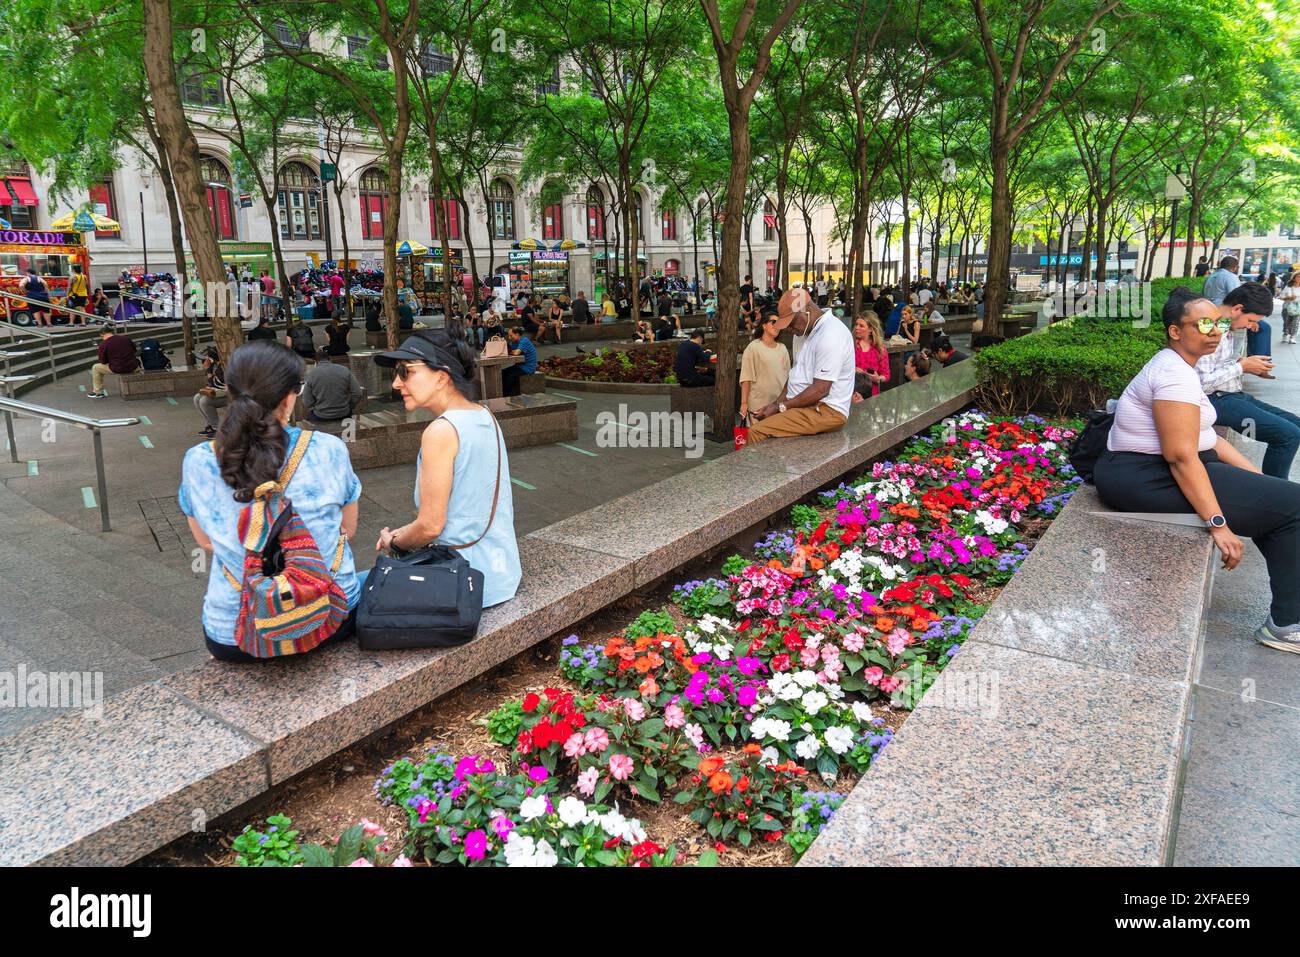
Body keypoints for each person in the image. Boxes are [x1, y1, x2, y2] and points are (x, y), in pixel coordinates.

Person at [1094, 292, 1300, 653]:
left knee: (1281, 504)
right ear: (1175, 330)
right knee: (1294, 507)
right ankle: (1286, 625)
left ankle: (1290, 613)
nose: (1216, 331)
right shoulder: (1173, 374)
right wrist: (1218, 524)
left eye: (1219, 323)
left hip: (1162, 469)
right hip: (1144, 478)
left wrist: (1258, 481)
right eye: (1204, 324)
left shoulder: (1181, 367)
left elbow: (1211, 440)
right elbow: (1180, 457)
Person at [180, 340, 362, 663]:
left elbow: (206, 542)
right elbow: (347, 529)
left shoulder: (198, 461)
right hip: (328, 617)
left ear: (232, 392)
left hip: (232, 633)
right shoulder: (328, 449)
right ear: (290, 398)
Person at [373, 330, 521, 608]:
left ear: (441, 376)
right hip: (501, 573)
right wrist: (404, 532)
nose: (396, 383)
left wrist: (395, 544)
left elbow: (431, 526)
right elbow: (464, 511)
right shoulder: (483, 415)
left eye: (406, 372)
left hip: (461, 584)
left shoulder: (440, 431)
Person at [1194, 282, 1298, 478]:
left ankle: (1277, 490)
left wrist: (1245, 364)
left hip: (1231, 395)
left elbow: (1216, 365)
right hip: (1215, 399)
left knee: (1295, 424)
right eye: (1250, 320)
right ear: (1237, 309)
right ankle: (1277, 494)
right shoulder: (1208, 328)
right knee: (1287, 435)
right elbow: (1200, 382)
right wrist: (1242, 366)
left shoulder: (1224, 326)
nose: (1251, 327)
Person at [746, 287, 854, 444]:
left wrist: (782, 407)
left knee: (757, 432)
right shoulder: (803, 333)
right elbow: (794, 376)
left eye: (792, 322)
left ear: (807, 310)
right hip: (804, 406)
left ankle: (762, 468)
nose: (789, 329)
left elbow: (821, 389)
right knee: (763, 424)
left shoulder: (831, 334)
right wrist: (775, 404)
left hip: (826, 410)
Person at [740, 310, 791, 419]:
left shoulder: (783, 348)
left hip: (778, 406)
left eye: (779, 323)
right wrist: (744, 403)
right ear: (764, 325)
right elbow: (746, 378)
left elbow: (788, 377)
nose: (777, 326)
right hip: (758, 406)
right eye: (773, 322)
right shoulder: (753, 347)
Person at [302, 348, 364, 424]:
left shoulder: (311, 374)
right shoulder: (344, 370)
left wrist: (314, 408)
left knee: (307, 421)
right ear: (330, 359)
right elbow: (358, 393)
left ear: (315, 362)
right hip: (343, 413)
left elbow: (306, 400)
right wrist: (350, 406)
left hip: (320, 415)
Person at [87, 327, 139, 397]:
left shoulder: (104, 344)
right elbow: (134, 351)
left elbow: (103, 361)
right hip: (133, 366)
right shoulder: (126, 338)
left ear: (102, 334)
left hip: (117, 368)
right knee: (136, 365)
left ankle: (98, 392)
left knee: (95, 367)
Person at [851, 313, 889, 400]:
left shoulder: (880, 349)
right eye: (856, 324)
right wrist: (852, 369)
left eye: (861, 326)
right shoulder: (849, 344)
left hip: (871, 395)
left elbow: (886, 375)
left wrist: (877, 378)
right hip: (851, 393)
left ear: (871, 329)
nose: (857, 328)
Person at [193, 346, 228, 437]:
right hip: (219, 392)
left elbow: (216, 381)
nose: (207, 359)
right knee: (197, 398)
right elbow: (212, 383)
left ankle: (217, 429)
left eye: (209, 357)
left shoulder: (224, 366)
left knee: (205, 401)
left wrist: (209, 368)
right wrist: (210, 367)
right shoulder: (214, 365)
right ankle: (211, 425)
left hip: (229, 395)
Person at [502, 326, 538, 397]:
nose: (509, 338)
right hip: (520, 366)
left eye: (511, 335)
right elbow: (509, 351)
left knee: (509, 376)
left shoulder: (524, 341)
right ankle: (508, 394)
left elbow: (516, 353)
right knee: (503, 372)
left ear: (517, 334)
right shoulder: (514, 342)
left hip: (528, 368)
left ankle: (506, 396)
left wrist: (511, 351)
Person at [1282, 271, 1300, 344]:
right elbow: (1281, 296)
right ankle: (1285, 334)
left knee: (1295, 322)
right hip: (1287, 307)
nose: (1299, 278)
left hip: (1298, 308)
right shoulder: (1288, 287)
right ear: (1294, 277)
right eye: (1298, 276)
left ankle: (1292, 337)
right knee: (1287, 322)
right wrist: (1289, 297)